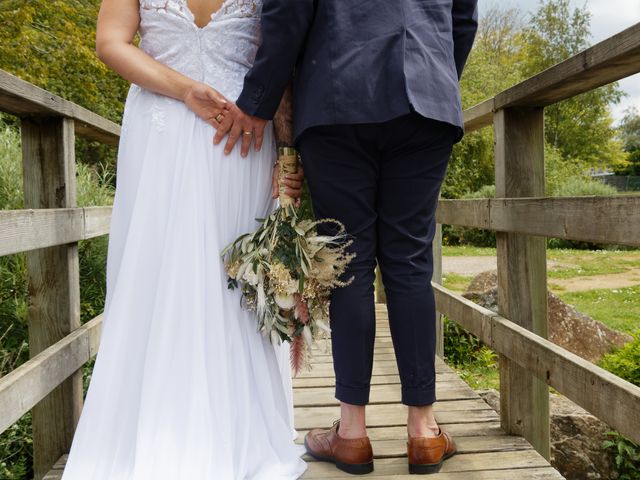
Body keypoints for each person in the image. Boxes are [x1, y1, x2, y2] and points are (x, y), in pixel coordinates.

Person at [218, 0, 479, 475]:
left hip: (337, 97)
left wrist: (256, 103)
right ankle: (423, 432)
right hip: (425, 94)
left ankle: (353, 434)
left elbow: (288, 14)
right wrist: (434, 74)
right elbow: (463, 19)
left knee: (351, 265)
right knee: (410, 265)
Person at [61, 0, 307, 478]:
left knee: (230, 283)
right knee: (154, 271)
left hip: (241, 136)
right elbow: (110, 43)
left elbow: (281, 55)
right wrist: (185, 89)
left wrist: (288, 154)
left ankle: (233, 428)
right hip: (160, 137)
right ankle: (153, 427)